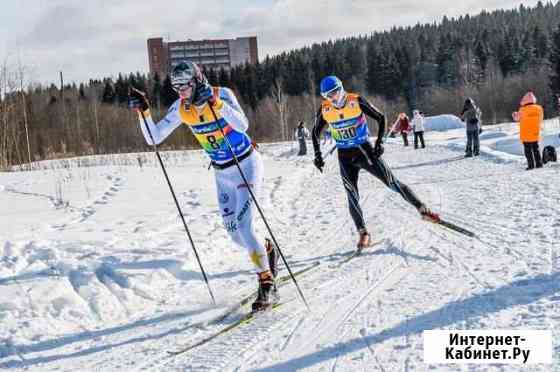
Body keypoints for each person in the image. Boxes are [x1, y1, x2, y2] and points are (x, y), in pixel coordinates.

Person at [129, 61, 278, 312]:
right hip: (222, 174)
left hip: (246, 165)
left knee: (245, 226)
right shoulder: (181, 107)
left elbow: (243, 125)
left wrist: (217, 105)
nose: (180, 91)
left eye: (184, 85)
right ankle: (266, 250)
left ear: (197, 80)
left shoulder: (222, 94)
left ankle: (266, 282)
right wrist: (144, 112)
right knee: (235, 234)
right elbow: (154, 137)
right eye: (175, 86)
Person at [311, 75, 441, 249]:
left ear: (341, 89)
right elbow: (314, 132)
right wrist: (318, 155)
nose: (333, 98)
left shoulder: (355, 101)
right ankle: (363, 233)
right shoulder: (325, 109)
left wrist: (379, 143)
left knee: (392, 182)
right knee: (351, 195)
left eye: (335, 92)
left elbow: (381, 118)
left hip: (365, 151)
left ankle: (422, 209)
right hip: (344, 156)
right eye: (328, 95)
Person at [512, 91, 543, 170]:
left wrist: (514, 114)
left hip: (525, 134)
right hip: (535, 132)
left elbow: (517, 119)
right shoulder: (539, 108)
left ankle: (531, 165)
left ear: (524, 100)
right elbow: (541, 119)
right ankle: (539, 163)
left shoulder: (522, 110)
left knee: (528, 150)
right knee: (536, 148)